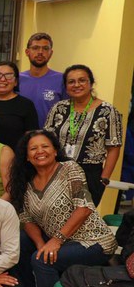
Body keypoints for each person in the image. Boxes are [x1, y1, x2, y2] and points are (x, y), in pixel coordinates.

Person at [8, 130, 117, 287]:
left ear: (55, 149)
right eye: (33, 148)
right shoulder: (26, 181)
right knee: (21, 242)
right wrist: (41, 243)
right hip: (56, 240)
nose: (40, 151)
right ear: (27, 156)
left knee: (42, 262)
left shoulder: (69, 169)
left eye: (45, 146)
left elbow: (84, 208)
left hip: (92, 240)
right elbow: (26, 218)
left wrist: (56, 241)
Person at [44, 64, 123, 205]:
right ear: (66, 86)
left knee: (81, 221)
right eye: (71, 82)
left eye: (82, 80)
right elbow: (46, 140)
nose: (76, 85)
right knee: (54, 217)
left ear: (91, 83)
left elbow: (114, 148)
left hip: (89, 174)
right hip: (57, 171)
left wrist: (103, 179)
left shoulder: (107, 110)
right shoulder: (59, 108)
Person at [18, 33, 65, 126]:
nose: (40, 52)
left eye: (45, 48)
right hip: (21, 137)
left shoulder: (62, 80)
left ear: (51, 53)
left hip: (50, 137)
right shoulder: (16, 80)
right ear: (27, 52)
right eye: (35, 48)